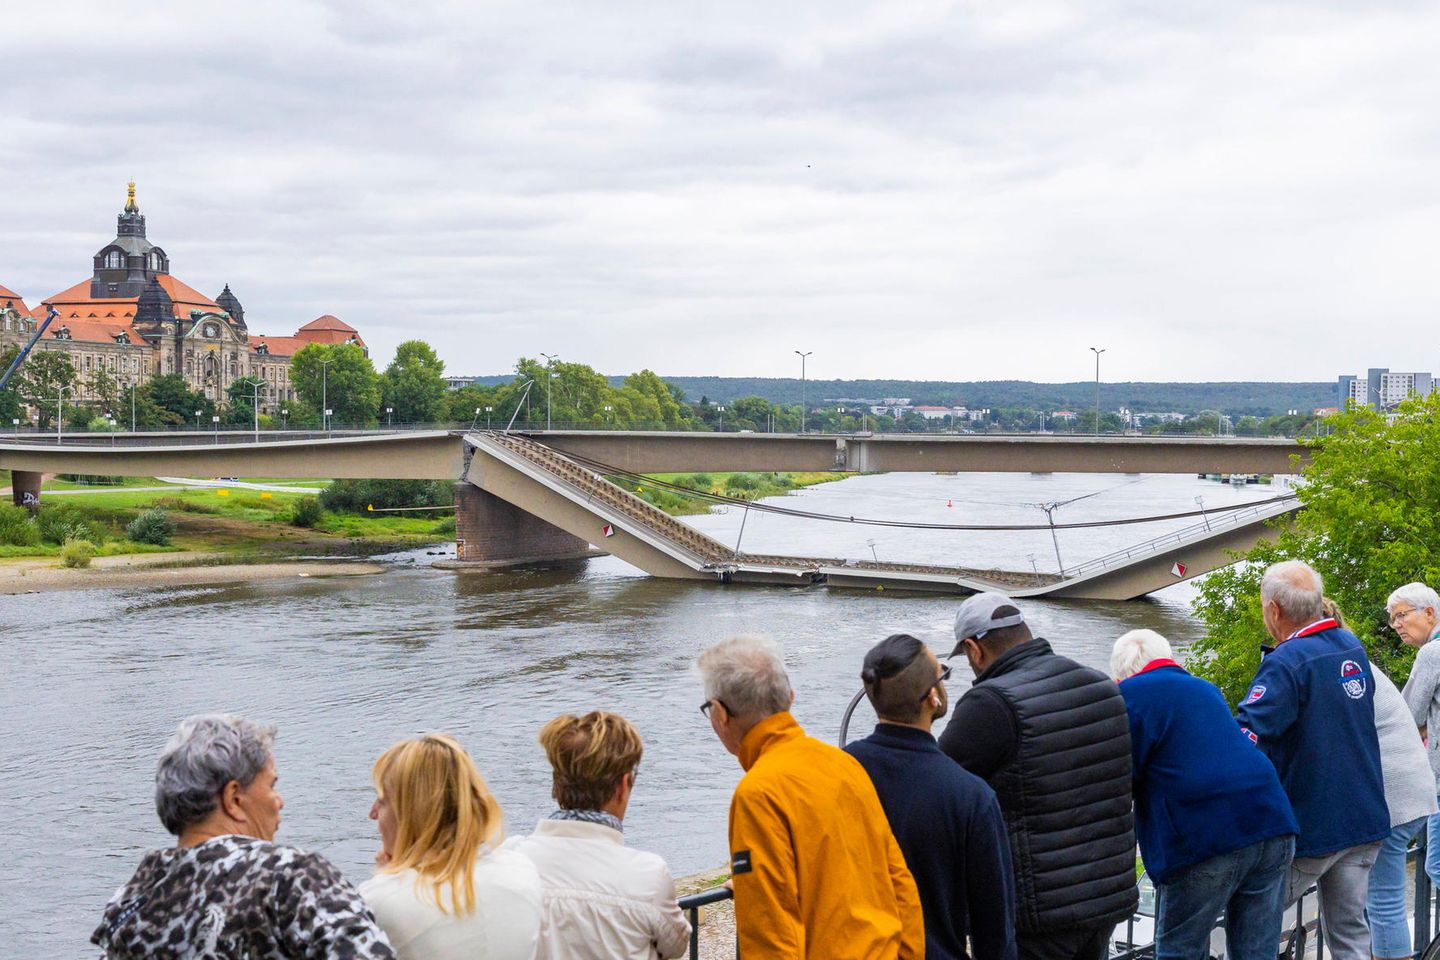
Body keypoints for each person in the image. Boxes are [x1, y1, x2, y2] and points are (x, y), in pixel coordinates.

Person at [697, 634, 924, 960]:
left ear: (719, 713)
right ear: (789, 698)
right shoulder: (844, 764)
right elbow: (900, 883)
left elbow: (770, 936)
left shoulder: (759, 793)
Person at [93, 713, 395, 959]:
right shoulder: (290, 876)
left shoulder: (132, 901)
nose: (279, 801)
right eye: (272, 786)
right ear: (234, 798)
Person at [938, 593, 1137, 960]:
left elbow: (936, 786)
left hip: (1038, 912)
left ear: (973, 648)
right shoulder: (1101, 686)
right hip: (1105, 896)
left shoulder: (991, 703)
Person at [1110, 629, 1297, 960]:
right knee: (1256, 952)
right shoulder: (1204, 688)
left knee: (1180, 949)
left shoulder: (1127, 697)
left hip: (1206, 836)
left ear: (1120, 673)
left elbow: (1118, 778)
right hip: (1272, 820)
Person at [1235, 561, 1389, 960]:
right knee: (1350, 933)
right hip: (1364, 816)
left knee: (1250, 913)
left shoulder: (1287, 663)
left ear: (1273, 610)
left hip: (1314, 824)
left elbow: (1246, 737)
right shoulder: (1349, 646)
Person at [844, 633, 1016, 960]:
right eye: (943, 674)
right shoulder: (970, 796)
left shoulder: (839, 771)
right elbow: (995, 928)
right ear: (933, 698)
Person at [505, 711, 690, 960]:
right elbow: (676, 946)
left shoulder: (511, 859)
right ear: (623, 786)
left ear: (556, 782)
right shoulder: (648, 875)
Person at [361, 733, 542, 960]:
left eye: (382, 801)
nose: (373, 813)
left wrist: (386, 876)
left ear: (413, 814)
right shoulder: (522, 870)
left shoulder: (378, 901)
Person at [1394, 582, 1440, 887]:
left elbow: (1407, 717)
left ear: (1429, 613)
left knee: (1436, 865)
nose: (1396, 625)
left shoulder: (1431, 653)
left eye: (1401, 615)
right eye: (1392, 619)